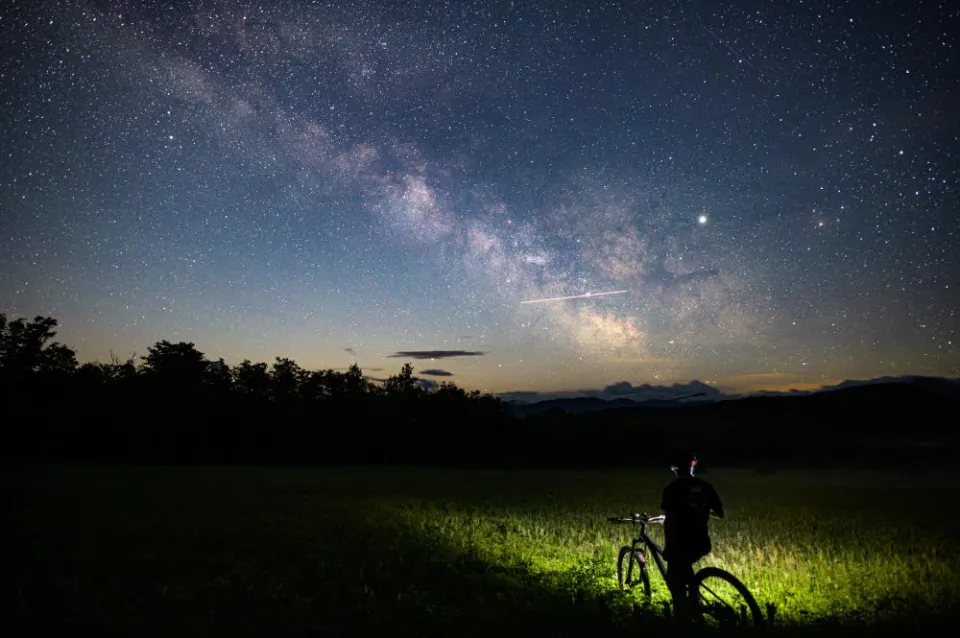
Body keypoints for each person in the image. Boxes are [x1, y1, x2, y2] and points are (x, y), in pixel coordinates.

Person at [660, 446, 724, 621]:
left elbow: (670, 520)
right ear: (693, 464)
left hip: (680, 543)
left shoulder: (671, 489)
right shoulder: (706, 487)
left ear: (674, 467)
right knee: (686, 570)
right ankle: (693, 603)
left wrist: (669, 548)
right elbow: (720, 513)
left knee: (674, 580)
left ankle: (684, 618)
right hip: (701, 542)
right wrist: (701, 509)